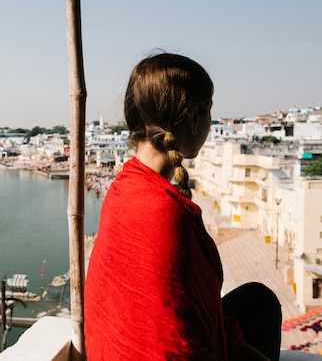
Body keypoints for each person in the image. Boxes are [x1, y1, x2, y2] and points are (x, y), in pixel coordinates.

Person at [84, 53, 281, 360]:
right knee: (261, 304)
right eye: (209, 113)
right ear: (193, 117)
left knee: (258, 301)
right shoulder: (165, 213)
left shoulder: (123, 187)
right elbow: (175, 347)